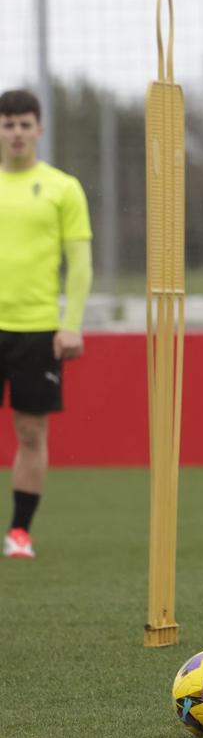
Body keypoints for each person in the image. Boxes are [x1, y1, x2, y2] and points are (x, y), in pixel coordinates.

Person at [0, 89, 93, 559]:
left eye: (23, 124)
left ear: (38, 129)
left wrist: (70, 323)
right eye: (7, 124)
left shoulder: (62, 188)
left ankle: (19, 532)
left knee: (31, 433)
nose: (15, 132)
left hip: (38, 330)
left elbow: (79, 264)